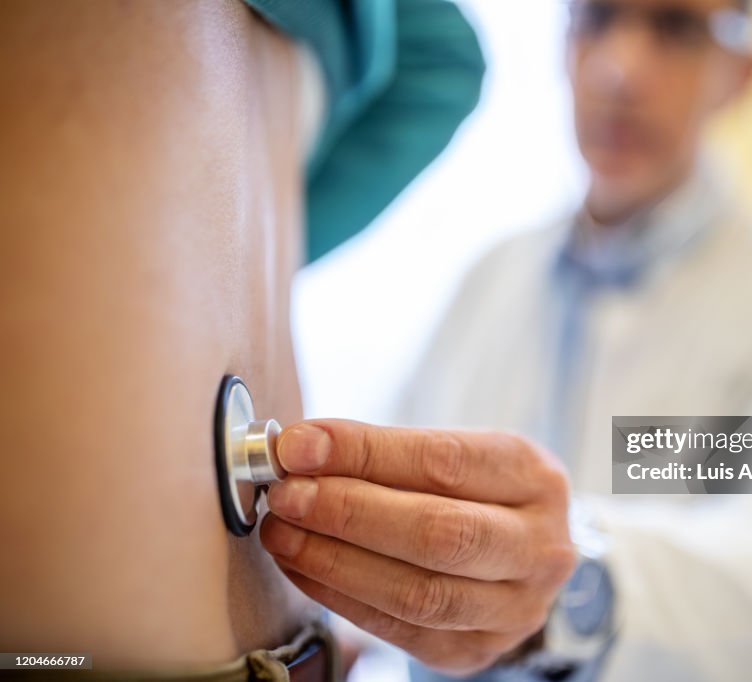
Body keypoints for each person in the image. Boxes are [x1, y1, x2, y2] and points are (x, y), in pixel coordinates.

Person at [0, 1, 576, 679]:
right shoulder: (513, 268)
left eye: (677, 30)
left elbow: (442, 61)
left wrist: (191, 251)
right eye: (598, 21)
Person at [394, 0, 752, 680]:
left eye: (676, 29)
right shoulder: (490, 279)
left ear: (740, 75)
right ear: (564, 47)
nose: (620, 71)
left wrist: (581, 588)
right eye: (598, 19)